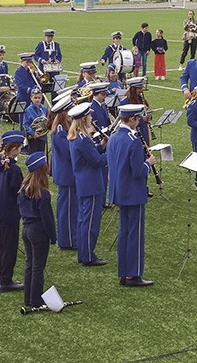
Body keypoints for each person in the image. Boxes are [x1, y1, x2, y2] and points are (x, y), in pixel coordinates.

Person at [108, 103, 155, 287]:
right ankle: (132, 274)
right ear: (133, 119)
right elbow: (137, 171)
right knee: (135, 234)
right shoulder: (133, 140)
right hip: (133, 193)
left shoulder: (113, 138)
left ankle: (124, 271)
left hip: (118, 191)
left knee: (124, 232)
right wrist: (148, 163)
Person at [69, 102, 108, 266]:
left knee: (83, 220)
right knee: (90, 222)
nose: (92, 118)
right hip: (91, 183)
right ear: (84, 118)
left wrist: (100, 146)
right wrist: (110, 153)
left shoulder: (78, 137)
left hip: (84, 182)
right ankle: (88, 256)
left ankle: (83, 253)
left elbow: (90, 155)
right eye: (90, 116)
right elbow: (96, 161)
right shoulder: (83, 139)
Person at [19, 151, 57, 308]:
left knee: (30, 264)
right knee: (38, 267)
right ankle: (36, 299)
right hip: (38, 231)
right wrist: (53, 237)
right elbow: (47, 218)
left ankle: (28, 297)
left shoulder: (23, 189)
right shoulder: (43, 193)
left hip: (26, 229)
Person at [0, 130, 26, 293]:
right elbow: (19, 191)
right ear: (15, 148)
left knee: (1, 245)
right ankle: (6, 280)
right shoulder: (13, 169)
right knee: (9, 248)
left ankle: (2, 277)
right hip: (9, 212)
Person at [49, 94, 77, 251]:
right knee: (66, 209)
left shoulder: (64, 128)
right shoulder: (60, 131)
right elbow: (68, 152)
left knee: (71, 208)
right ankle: (66, 241)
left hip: (68, 173)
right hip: (65, 174)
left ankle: (71, 237)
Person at [21, 88, 49, 155]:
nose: (37, 100)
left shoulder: (45, 109)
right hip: (33, 137)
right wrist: (33, 133)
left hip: (42, 136)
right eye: (35, 98)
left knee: (41, 153)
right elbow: (25, 124)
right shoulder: (28, 110)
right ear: (31, 98)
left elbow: (47, 121)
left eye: (39, 98)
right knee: (33, 154)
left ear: (41, 97)